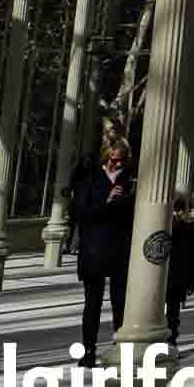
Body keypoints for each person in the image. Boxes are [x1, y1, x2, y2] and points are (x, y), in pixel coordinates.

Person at [71, 140, 137, 364]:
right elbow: (82, 214)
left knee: (120, 303)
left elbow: (136, 217)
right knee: (92, 304)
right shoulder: (89, 181)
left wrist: (125, 201)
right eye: (112, 159)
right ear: (104, 157)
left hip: (120, 249)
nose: (115, 165)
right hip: (94, 249)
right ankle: (88, 351)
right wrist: (107, 202)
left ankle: (119, 347)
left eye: (120, 161)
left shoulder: (130, 182)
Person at [166, 196, 194, 346]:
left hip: (177, 278)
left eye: (181, 210)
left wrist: (193, 281)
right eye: (175, 210)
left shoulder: (189, 231)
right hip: (164, 277)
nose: (178, 214)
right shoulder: (162, 229)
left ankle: (171, 341)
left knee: (173, 313)